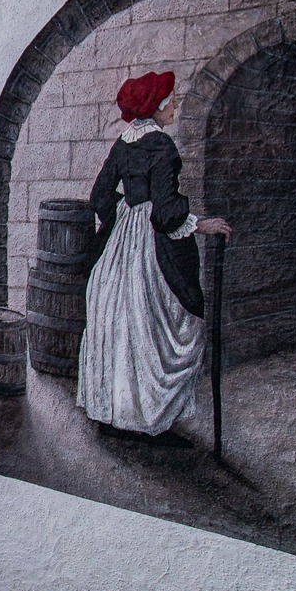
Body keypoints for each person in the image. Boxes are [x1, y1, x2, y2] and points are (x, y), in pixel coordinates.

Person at [76, 70, 233, 441]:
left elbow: (100, 195)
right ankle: (144, 418)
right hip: (149, 243)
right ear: (158, 108)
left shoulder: (122, 144)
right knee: (155, 315)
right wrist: (202, 224)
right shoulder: (162, 147)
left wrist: (126, 210)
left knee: (117, 314)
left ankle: (112, 412)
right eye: (172, 101)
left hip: (119, 244)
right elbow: (165, 212)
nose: (175, 106)